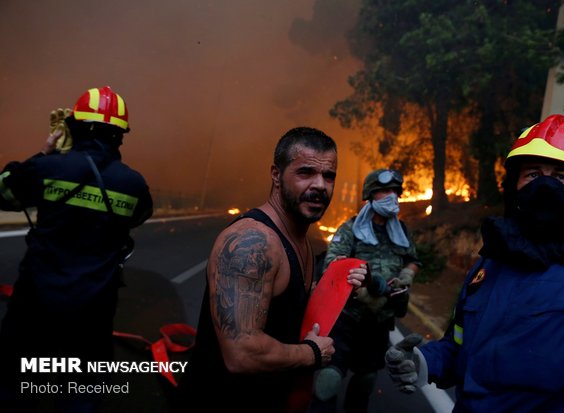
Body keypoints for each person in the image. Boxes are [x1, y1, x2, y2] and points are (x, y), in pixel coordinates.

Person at [385, 114, 564, 412]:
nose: (545, 186)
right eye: (533, 174)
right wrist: (425, 362)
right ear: (513, 187)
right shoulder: (487, 267)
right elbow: (461, 347)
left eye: (561, 177)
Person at [175, 127, 367, 412]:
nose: (320, 185)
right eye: (305, 172)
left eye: (329, 176)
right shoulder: (253, 242)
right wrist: (312, 353)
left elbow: (284, 305)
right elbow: (242, 353)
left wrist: (337, 288)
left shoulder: (300, 241)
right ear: (276, 175)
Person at [0, 86, 153, 412]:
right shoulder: (134, 184)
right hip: (93, 305)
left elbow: (5, 192)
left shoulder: (49, 168)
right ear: (120, 135)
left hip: (36, 297)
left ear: (76, 126)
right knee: (83, 389)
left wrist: (45, 153)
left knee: (12, 378)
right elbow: (139, 216)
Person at [309, 168, 422, 413]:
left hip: (379, 322)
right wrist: (360, 289)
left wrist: (407, 274)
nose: (392, 196)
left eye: (395, 191)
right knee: (329, 379)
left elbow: (413, 259)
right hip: (347, 318)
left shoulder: (401, 232)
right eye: (384, 191)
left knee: (366, 381)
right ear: (371, 195)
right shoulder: (351, 229)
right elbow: (333, 265)